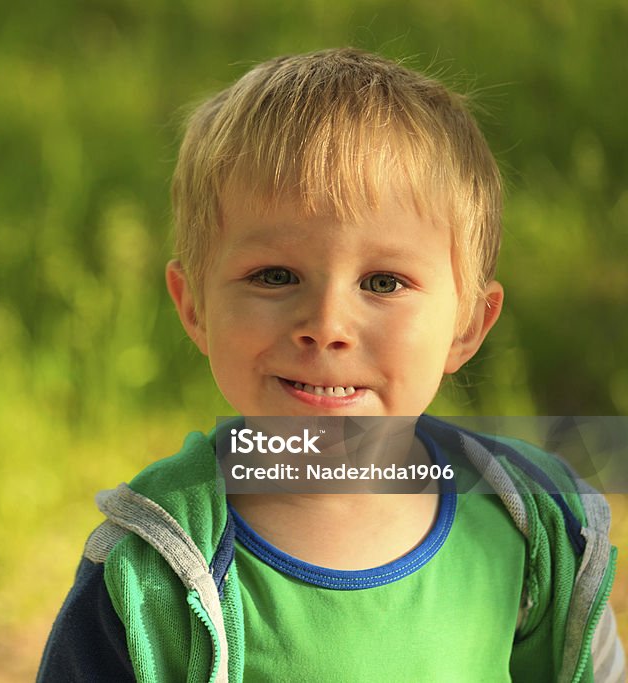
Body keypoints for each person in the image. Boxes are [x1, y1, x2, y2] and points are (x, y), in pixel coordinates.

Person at [37, 48, 624, 682]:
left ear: (469, 325)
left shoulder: (535, 527)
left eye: (384, 282)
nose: (326, 325)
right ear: (194, 306)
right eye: (275, 275)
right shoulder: (151, 574)